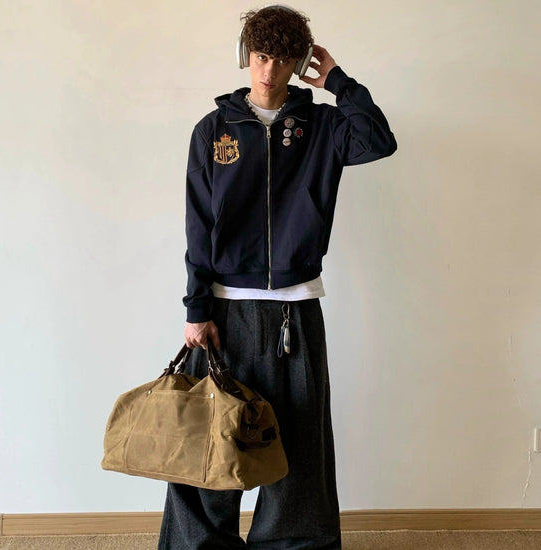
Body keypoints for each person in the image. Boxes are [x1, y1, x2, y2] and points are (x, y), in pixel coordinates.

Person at [158, 5, 397, 549]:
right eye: (262, 56)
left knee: (298, 454)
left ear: (299, 61)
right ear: (247, 54)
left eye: (284, 59)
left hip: (296, 310)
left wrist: (337, 81)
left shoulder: (324, 127)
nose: (269, 71)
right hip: (226, 313)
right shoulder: (213, 131)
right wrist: (197, 308)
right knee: (210, 448)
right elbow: (199, 225)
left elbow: (379, 140)